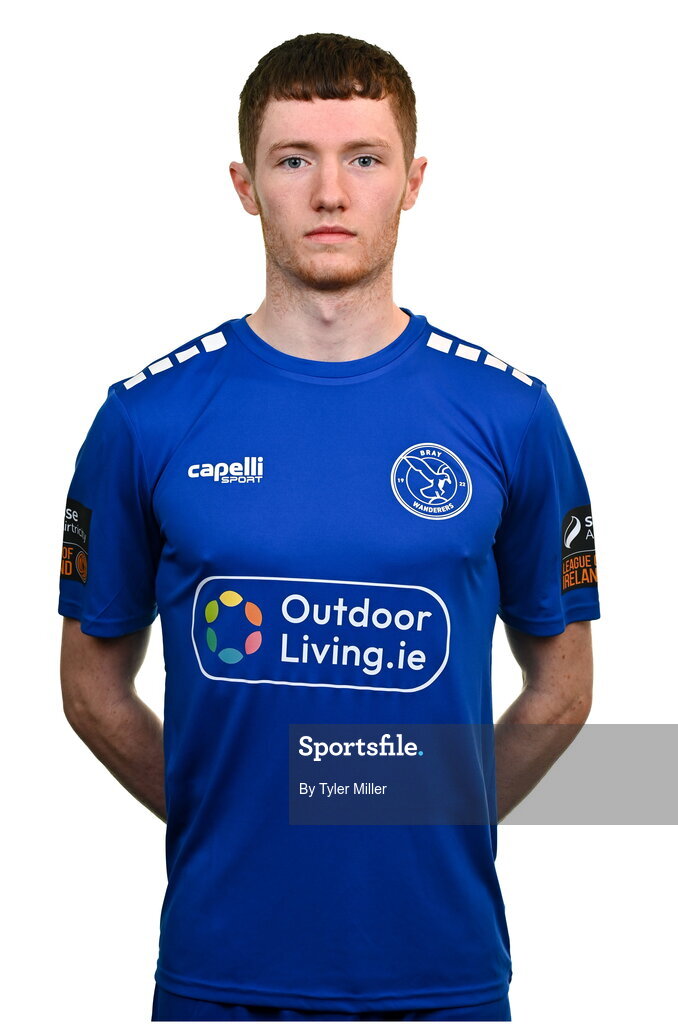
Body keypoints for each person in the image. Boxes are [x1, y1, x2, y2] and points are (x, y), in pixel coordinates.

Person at [58, 32, 600, 1023]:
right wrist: (239, 814)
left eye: (365, 158)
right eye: (294, 159)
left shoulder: (512, 416)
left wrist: (423, 809)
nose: (331, 194)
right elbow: (91, 690)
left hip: (442, 973)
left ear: (413, 180)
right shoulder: (147, 419)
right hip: (223, 972)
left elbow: (562, 690)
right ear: (245, 184)